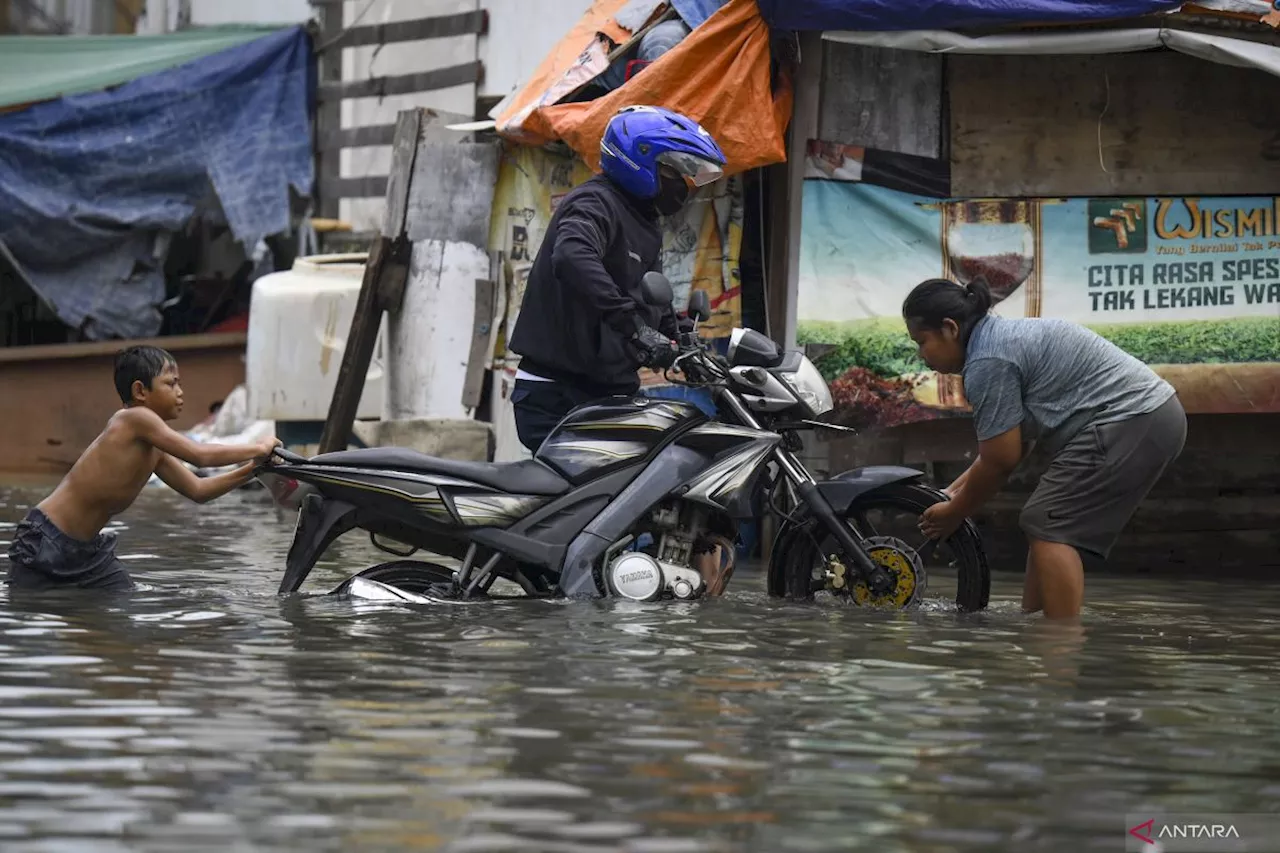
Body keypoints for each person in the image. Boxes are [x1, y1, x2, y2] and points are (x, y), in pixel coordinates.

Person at [903, 278, 1186, 620]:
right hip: (1152, 417)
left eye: (921, 342)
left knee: (1048, 524)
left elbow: (1001, 461)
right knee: (1045, 520)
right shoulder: (996, 341)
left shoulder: (988, 361)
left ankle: (1059, 647)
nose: (921, 354)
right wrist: (952, 492)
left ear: (949, 328)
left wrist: (954, 512)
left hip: (1133, 419)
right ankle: (1035, 623)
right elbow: (1007, 447)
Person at [507, 104, 727, 453]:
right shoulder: (595, 203)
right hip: (560, 393)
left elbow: (641, 296)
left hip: (607, 393)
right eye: (675, 172)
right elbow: (572, 256)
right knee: (595, 502)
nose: (683, 186)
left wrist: (681, 333)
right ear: (639, 161)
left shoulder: (643, 221)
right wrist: (633, 328)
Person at [6, 345, 281, 592]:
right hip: (46, 542)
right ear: (140, 391)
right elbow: (200, 455)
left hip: (87, 553)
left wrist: (254, 469)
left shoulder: (154, 449)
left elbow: (199, 490)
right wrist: (258, 448)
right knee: (29, 613)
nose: (180, 392)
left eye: (180, 384)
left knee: (124, 606)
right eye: (171, 384)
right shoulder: (133, 419)